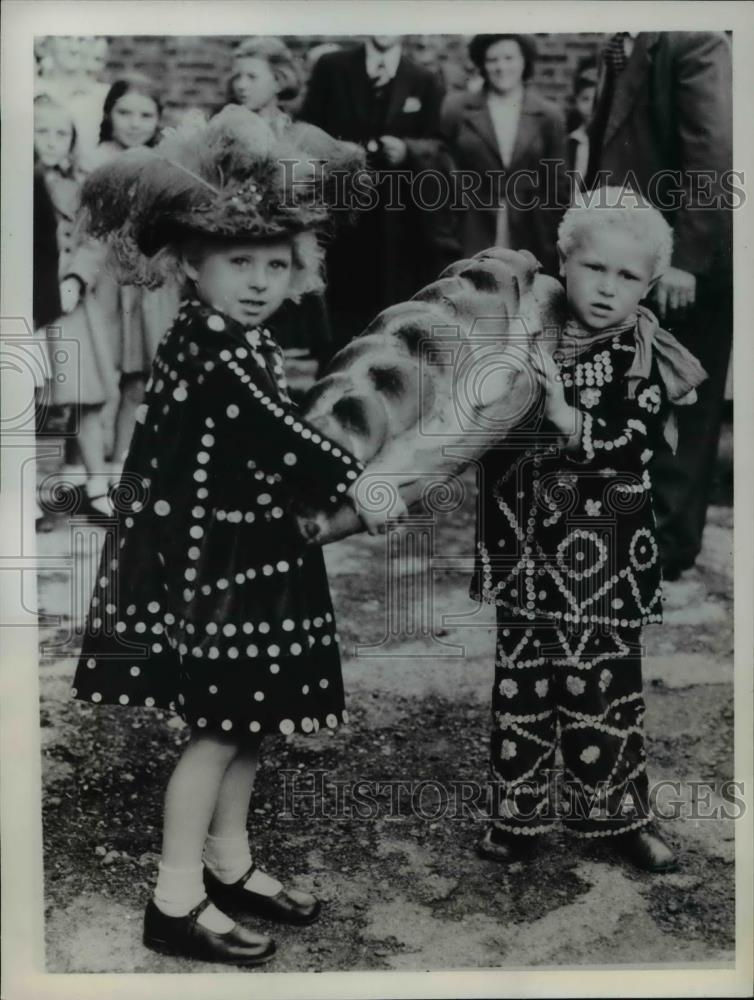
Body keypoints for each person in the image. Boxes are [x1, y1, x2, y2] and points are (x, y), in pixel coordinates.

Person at [70, 106, 401, 965]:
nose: (259, 280)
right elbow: (279, 436)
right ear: (190, 262)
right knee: (216, 730)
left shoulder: (246, 336)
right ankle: (174, 899)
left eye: (276, 264)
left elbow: (272, 429)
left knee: (253, 721)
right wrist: (361, 477)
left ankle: (230, 863)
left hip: (250, 557)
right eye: (238, 262)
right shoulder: (211, 347)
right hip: (213, 570)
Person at [471, 189, 706, 871]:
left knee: (602, 679)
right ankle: (517, 818)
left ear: (650, 286)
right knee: (523, 681)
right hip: (523, 547)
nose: (608, 288)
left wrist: (570, 419)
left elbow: (634, 443)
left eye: (628, 276)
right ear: (562, 265)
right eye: (594, 268)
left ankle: (615, 816)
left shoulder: (642, 355)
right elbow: (476, 423)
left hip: (603, 554)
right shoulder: (522, 335)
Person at [585, 32, 733, 579]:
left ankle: (664, 547)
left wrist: (687, 261)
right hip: (634, 256)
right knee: (639, 397)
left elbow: (714, 155)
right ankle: (638, 537)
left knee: (682, 405)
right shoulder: (623, 42)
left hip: (683, 265)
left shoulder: (693, 41)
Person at [50, 74, 178, 514]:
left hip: (148, 280)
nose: (135, 123)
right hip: (101, 279)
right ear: (108, 114)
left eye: (146, 114)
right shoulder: (89, 160)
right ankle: (90, 478)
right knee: (93, 380)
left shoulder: (167, 162)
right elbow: (82, 226)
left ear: (159, 119)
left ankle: (124, 471)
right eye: (125, 112)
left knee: (138, 378)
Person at [300, 34, 460, 355]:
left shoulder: (424, 80)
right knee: (341, 314)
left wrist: (407, 150)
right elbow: (306, 130)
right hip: (342, 217)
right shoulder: (333, 67)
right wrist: (333, 150)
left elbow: (440, 147)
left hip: (398, 225)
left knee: (390, 318)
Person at [440, 34, 569, 275]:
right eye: (493, 60)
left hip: (529, 228)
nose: (501, 67)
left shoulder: (548, 115)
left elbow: (558, 185)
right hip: (471, 227)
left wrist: (548, 233)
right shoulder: (457, 109)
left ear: (524, 62)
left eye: (509, 58)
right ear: (482, 64)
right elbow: (442, 170)